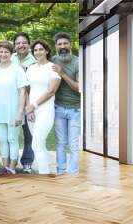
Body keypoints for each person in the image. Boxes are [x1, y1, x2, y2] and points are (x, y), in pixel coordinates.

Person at [0, 41, 27, 175]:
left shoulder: (17, 69)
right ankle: (4, 167)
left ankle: (12, 167)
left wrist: (20, 112)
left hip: (14, 111)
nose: (3, 54)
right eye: (1, 52)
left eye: (6, 52)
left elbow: (23, 91)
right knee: (2, 139)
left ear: (11, 54)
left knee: (12, 139)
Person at [25, 40, 61, 174]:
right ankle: (45, 172)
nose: (38, 52)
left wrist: (33, 105)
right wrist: (29, 108)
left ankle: (43, 174)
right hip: (31, 111)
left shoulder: (53, 68)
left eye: (41, 49)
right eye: (35, 50)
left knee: (36, 144)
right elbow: (27, 89)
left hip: (45, 110)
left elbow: (51, 91)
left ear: (47, 51)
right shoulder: (31, 68)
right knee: (40, 145)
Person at [51, 32, 81, 175]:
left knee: (74, 145)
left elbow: (79, 88)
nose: (62, 46)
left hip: (76, 110)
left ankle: (74, 174)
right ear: (55, 47)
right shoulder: (52, 61)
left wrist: (62, 73)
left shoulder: (78, 62)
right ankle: (61, 172)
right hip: (58, 108)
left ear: (71, 44)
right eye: (59, 44)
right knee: (61, 143)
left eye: (65, 43)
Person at [10, 32, 36, 173]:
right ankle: (9, 160)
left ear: (29, 45)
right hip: (12, 101)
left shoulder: (34, 60)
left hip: (29, 102)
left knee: (28, 134)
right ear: (14, 46)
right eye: (18, 43)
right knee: (11, 134)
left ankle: (27, 161)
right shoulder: (10, 58)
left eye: (24, 42)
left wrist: (29, 107)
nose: (21, 45)